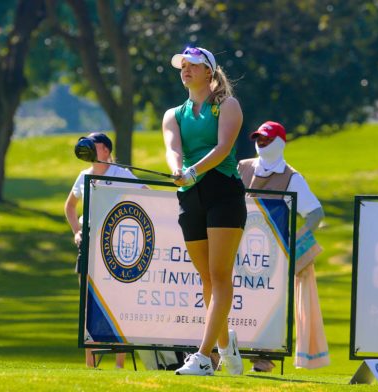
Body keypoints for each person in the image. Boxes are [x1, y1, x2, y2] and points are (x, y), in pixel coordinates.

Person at [162, 46, 246, 376]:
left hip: (223, 190)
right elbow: (172, 149)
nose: (186, 69)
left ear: (209, 71)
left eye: (193, 65)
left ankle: (204, 356)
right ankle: (228, 349)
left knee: (221, 275)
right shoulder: (173, 114)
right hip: (189, 195)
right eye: (183, 65)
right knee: (207, 278)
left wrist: (193, 170)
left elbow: (223, 147)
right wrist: (178, 170)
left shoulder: (227, 105)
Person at [238, 120, 330, 372]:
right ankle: (216, 354)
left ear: (280, 142)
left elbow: (315, 213)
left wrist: (293, 242)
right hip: (237, 250)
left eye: (267, 139)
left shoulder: (292, 177)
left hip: (272, 258)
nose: (261, 143)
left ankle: (263, 360)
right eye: (258, 138)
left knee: (267, 307)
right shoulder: (243, 167)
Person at [64, 132, 146, 369]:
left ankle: (119, 364)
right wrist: (76, 231)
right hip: (88, 242)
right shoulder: (84, 175)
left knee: (118, 303)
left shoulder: (120, 174)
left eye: (94, 144)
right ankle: (91, 365)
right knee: (88, 305)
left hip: (115, 245)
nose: (88, 147)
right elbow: (70, 206)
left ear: (106, 151)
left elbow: (146, 194)